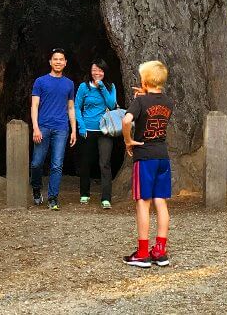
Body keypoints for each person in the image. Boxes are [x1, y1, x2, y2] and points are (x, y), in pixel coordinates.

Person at [121, 61, 173, 268]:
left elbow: (126, 121)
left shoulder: (140, 102)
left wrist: (128, 140)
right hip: (162, 156)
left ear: (144, 80)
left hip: (144, 156)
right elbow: (155, 107)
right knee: (161, 201)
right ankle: (160, 251)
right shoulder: (169, 102)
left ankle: (143, 252)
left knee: (143, 202)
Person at [30, 48, 77, 210]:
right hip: (43, 126)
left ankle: (52, 197)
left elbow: (71, 108)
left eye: (61, 59)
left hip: (61, 128)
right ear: (50, 62)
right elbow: (34, 105)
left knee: (56, 164)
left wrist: (74, 130)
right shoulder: (40, 81)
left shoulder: (69, 84)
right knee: (37, 163)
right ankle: (36, 189)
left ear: (65, 63)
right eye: (55, 59)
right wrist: (35, 127)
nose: (58, 62)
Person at [74, 59, 118, 209]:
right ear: (90, 71)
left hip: (105, 130)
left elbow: (112, 104)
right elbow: (76, 107)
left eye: (100, 70)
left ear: (104, 72)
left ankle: (106, 198)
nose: (97, 73)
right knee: (85, 163)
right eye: (94, 70)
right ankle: (84, 193)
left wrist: (102, 88)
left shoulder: (110, 86)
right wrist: (81, 126)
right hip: (88, 130)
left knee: (104, 163)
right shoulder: (83, 87)